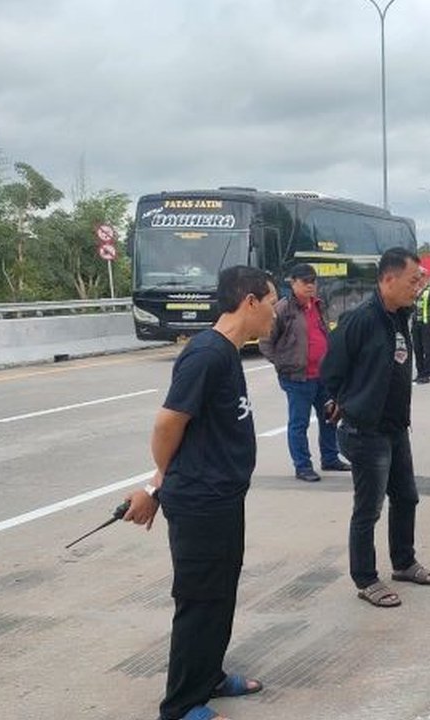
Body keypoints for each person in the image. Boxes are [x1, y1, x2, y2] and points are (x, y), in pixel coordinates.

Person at [121, 265, 277, 720]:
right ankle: (181, 706)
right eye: (272, 302)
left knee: (220, 595)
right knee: (200, 601)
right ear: (249, 301)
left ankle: (208, 676)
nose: (276, 312)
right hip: (201, 503)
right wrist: (160, 479)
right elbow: (167, 424)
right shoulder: (207, 354)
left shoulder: (227, 352)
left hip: (222, 497)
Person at [321, 247, 430, 609]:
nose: (417, 287)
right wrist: (344, 401)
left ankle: (403, 563)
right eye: (411, 281)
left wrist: (423, 274)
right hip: (365, 431)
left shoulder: (400, 315)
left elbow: (417, 287)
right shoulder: (360, 320)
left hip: (395, 427)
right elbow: (331, 370)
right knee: (368, 509)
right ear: (388, 279)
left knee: (406, 497)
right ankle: (366, 579)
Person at [259, 263, 350, 483]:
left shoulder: (319, 305)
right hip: (297, 378)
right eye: (305, 282)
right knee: (299, 423)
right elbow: (266, 340)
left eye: (313, 281)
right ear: (293, 283)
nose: (310, 286)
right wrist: (281, 363)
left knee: (329, 418)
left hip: (322, 375)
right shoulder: (283, 309)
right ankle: (303, 466)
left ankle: (330, 457)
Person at [410, 273, 430, 384]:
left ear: (426, 277)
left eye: (421, 276)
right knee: (417, 349)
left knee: (428, 350)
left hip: (427, 324)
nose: (419, 279)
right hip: (416, 324)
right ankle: (420, 373)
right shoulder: (414, 289)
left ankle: (426, 374)